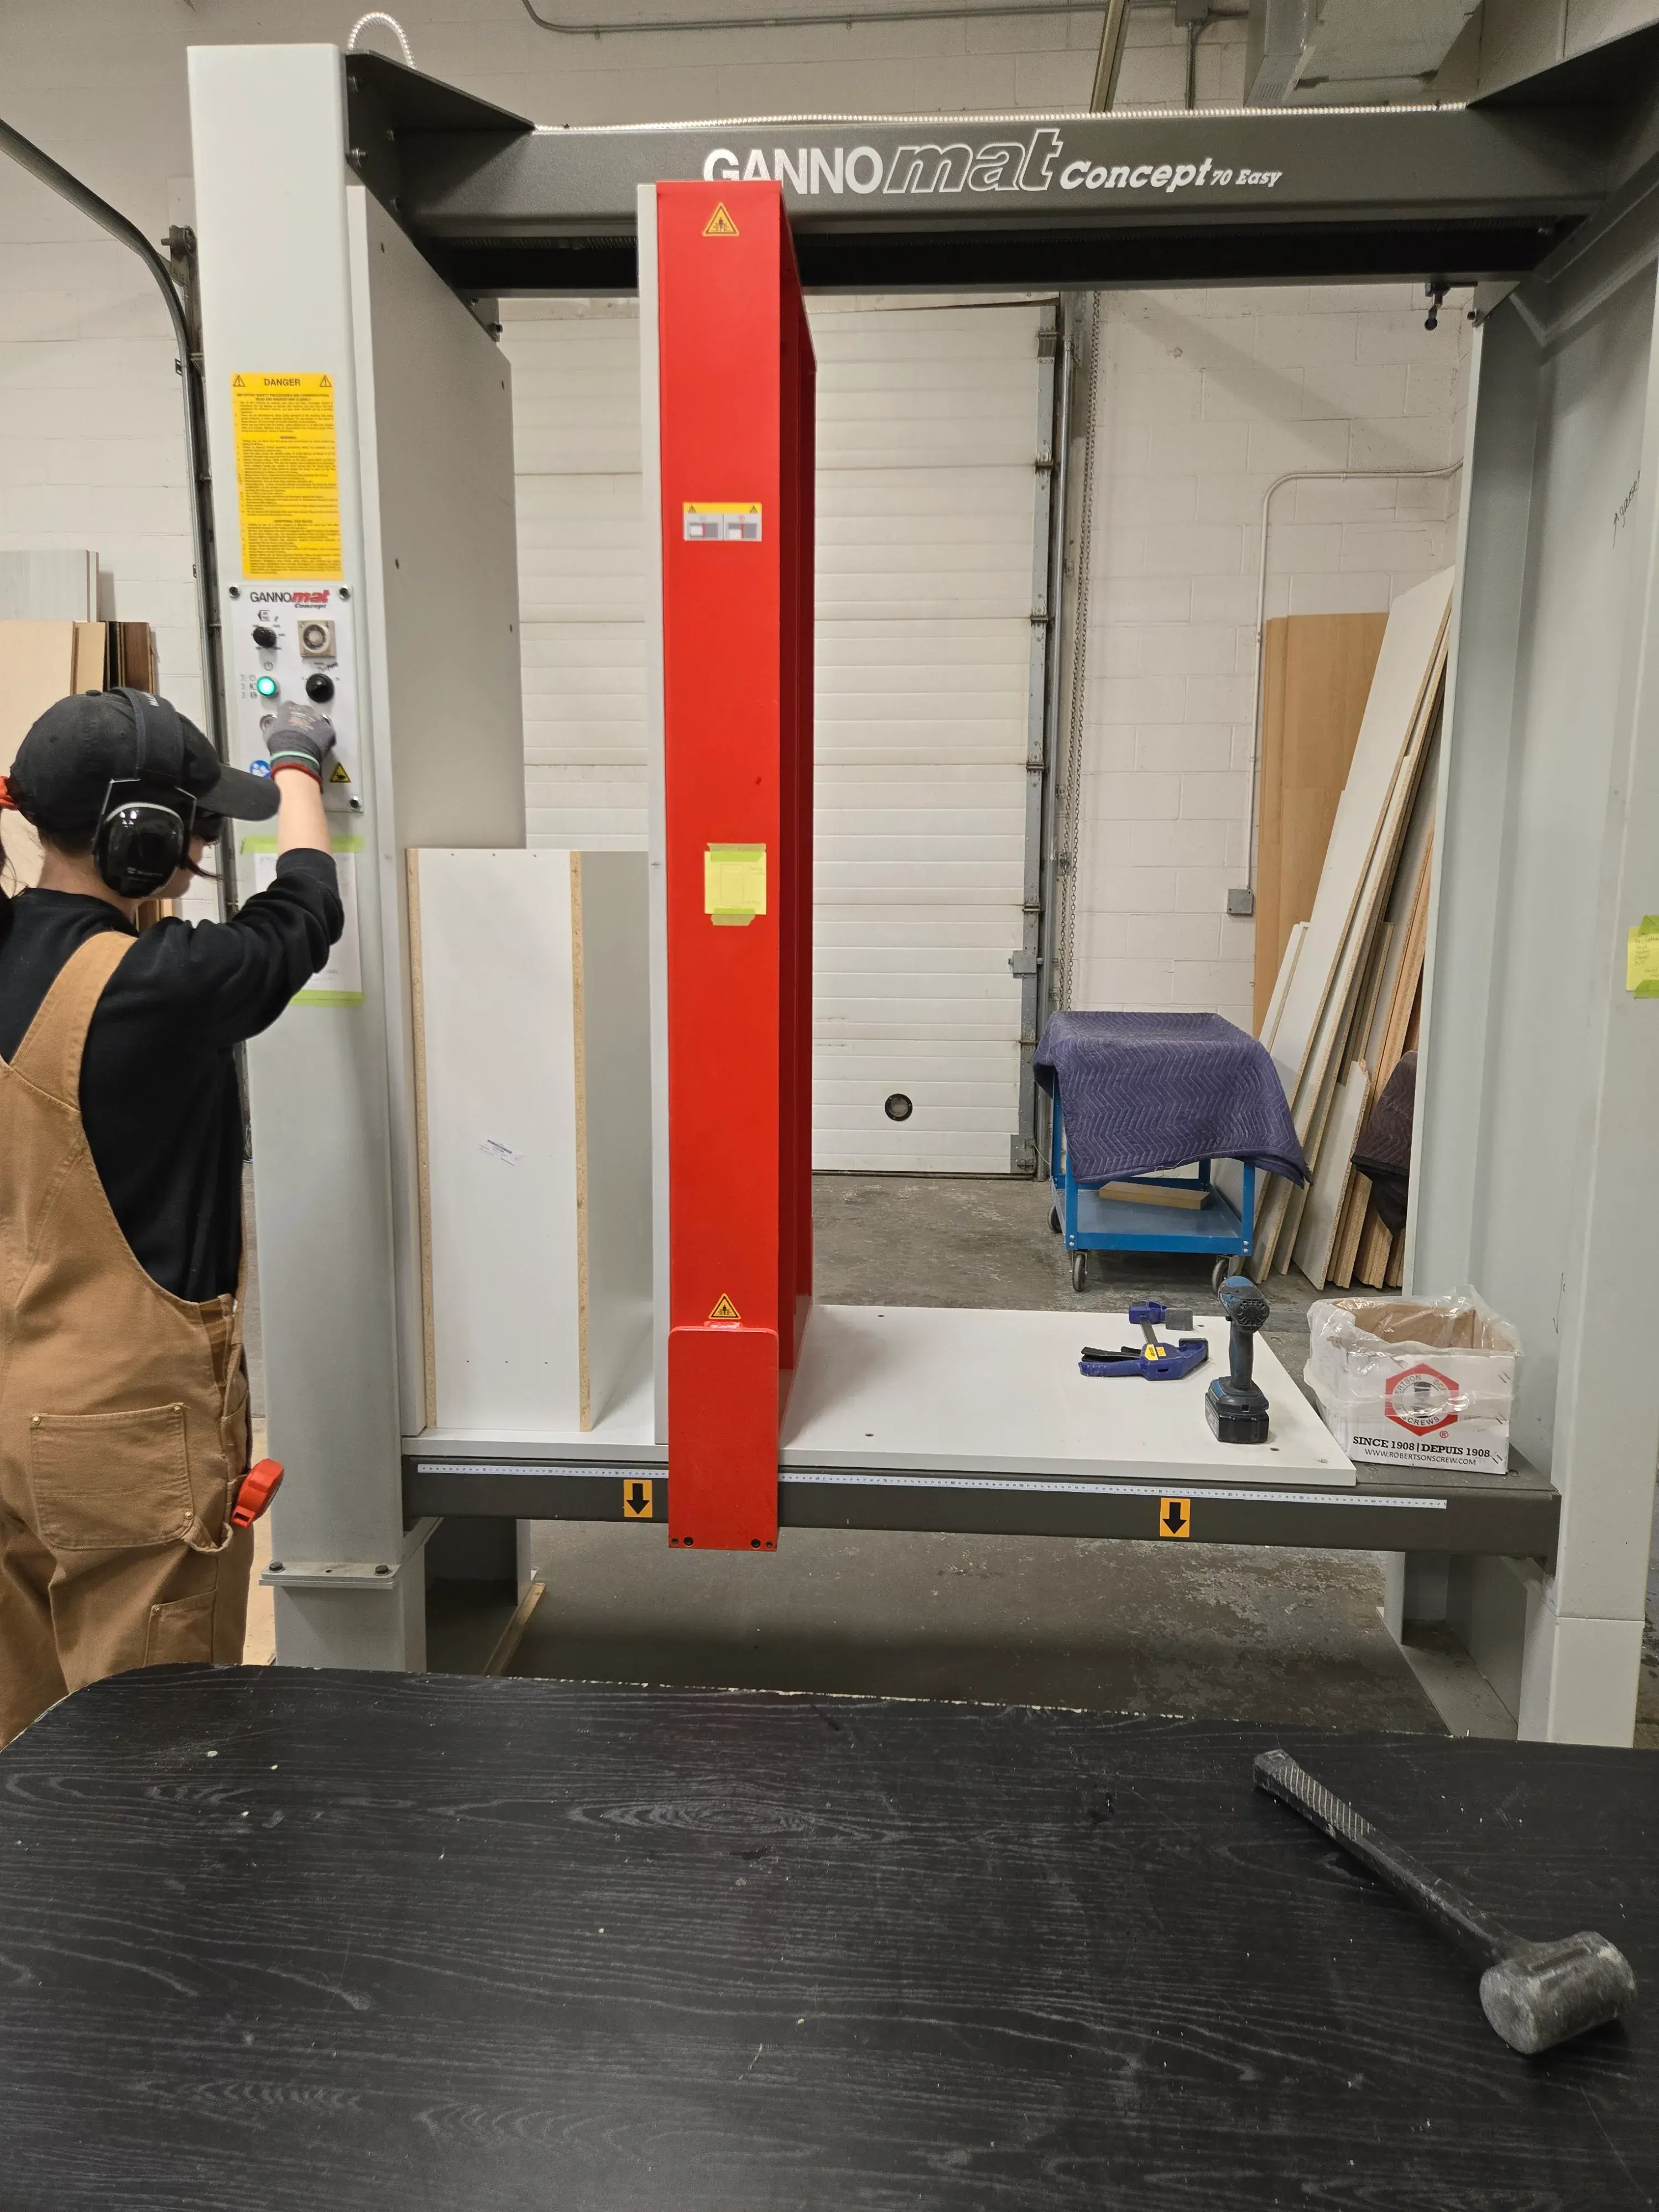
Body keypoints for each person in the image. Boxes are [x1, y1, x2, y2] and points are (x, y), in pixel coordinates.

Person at [0, 688, 342, 1744]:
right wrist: (299, 770)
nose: (200, 856)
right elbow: (305, 910)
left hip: (8, 1401)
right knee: (147, 1745)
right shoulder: (162, 984)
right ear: (140, 843)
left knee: (24, 1722)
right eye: (193, 833)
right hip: (122, 1431)